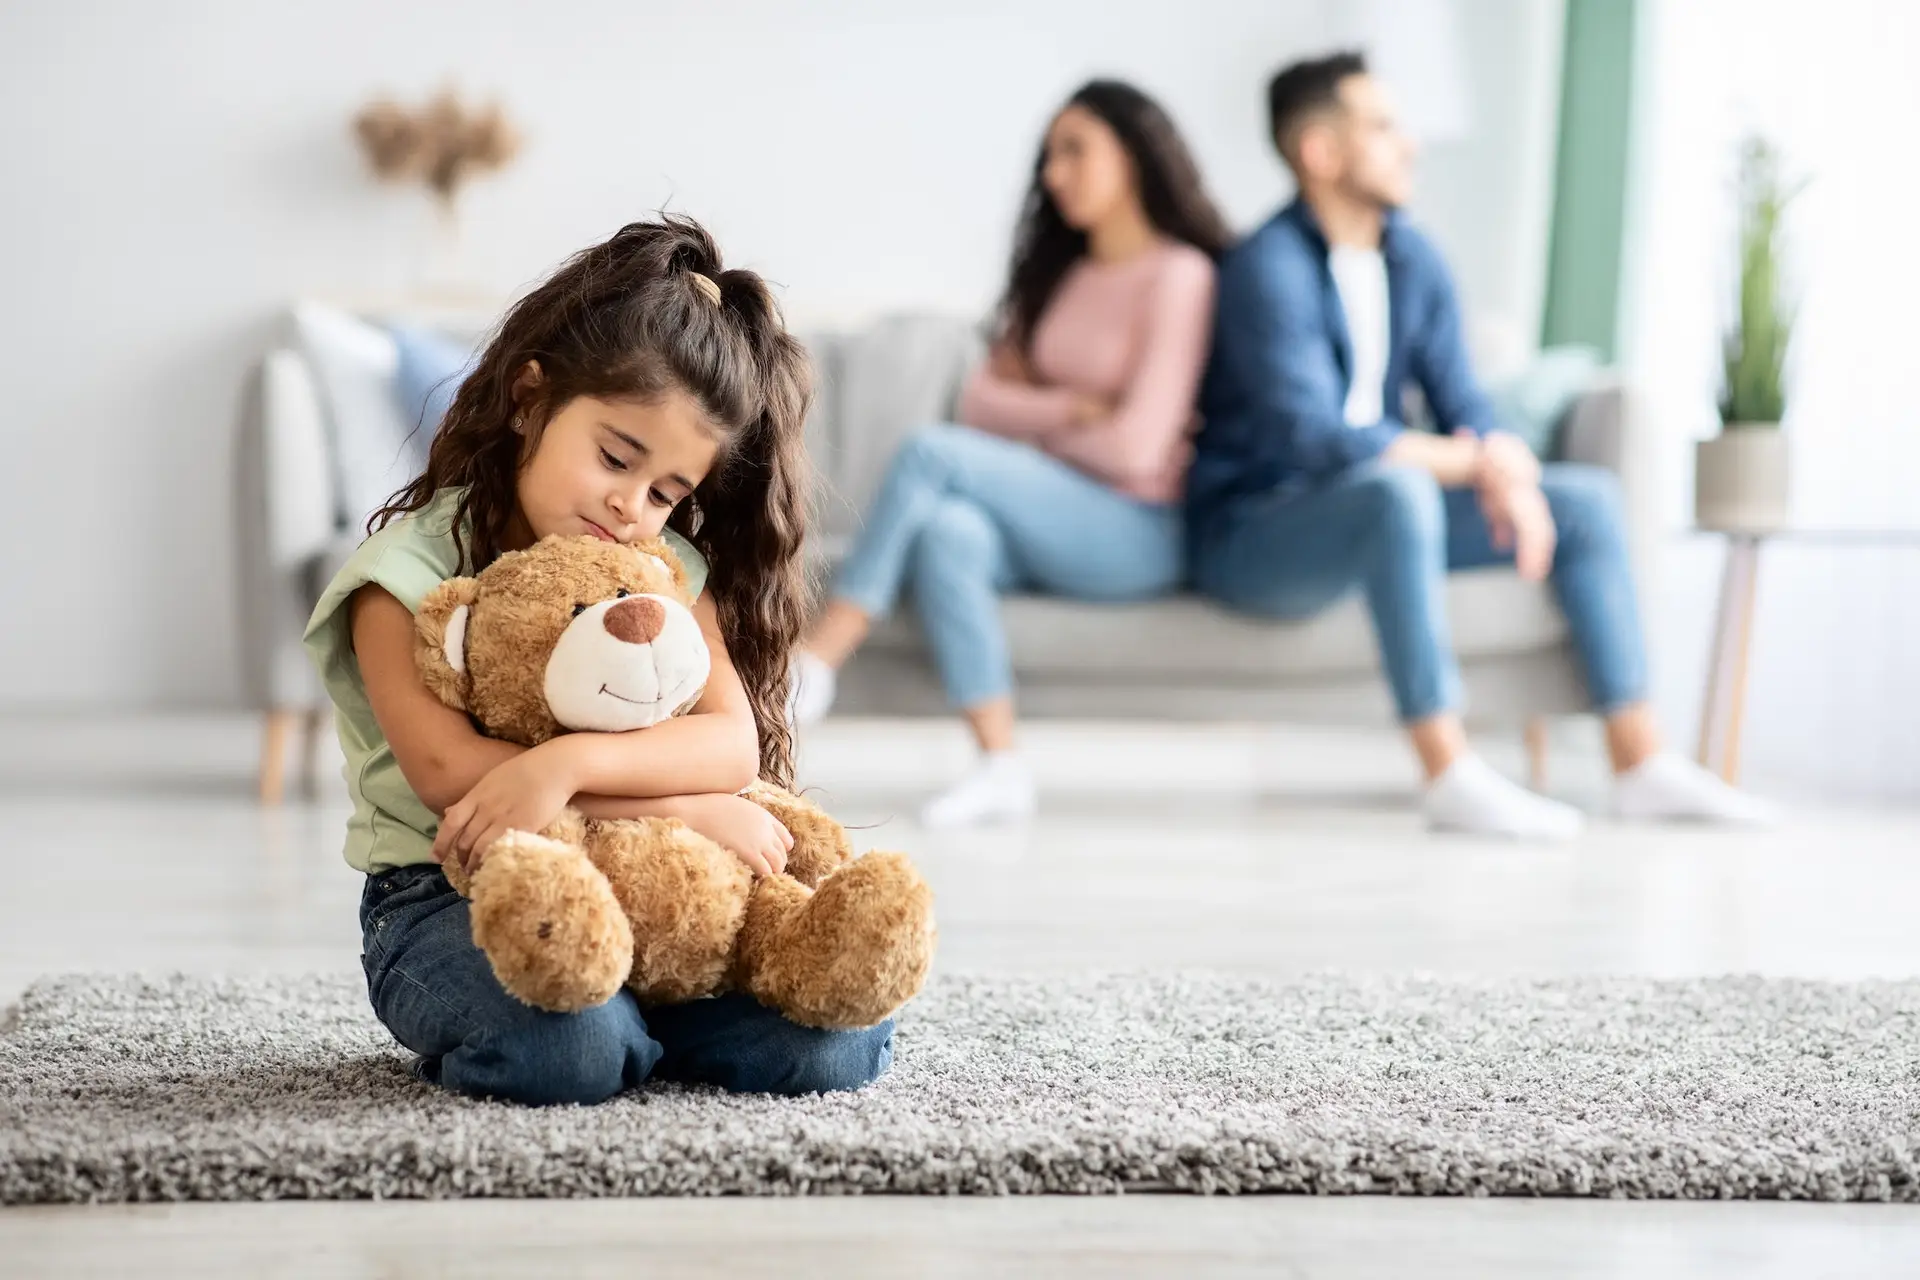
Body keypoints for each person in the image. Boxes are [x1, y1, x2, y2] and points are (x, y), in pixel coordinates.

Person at [303, 217, 895, 1105]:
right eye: (617, 457)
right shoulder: (405, 578)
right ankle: (619, 1034)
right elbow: (451, 777)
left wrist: (570, 766)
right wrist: (689, 806)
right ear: (528, 399)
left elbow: (730, 747)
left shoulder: (666, 571)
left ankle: (641, 1024)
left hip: (652, 881)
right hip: (451, 895)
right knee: (570, 1052)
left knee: (830, 1047)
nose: (631, 506)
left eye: (667, 491)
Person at [1188, 53, 1771, 838]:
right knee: (1394, 494)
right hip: (1261, 528)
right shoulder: (1266, 268)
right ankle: (1449, 772)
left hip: (1378, 507)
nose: (1410, 146)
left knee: (1585, 502)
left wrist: (1512, 476)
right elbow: (1315, 437)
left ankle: (1638, 763)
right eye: (1384, 128)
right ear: (1320, 152)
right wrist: (1474, 465)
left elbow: (1465, 401)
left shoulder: (1413, 258)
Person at [790, 80, 1231, 827]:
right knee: (945, 532)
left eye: (1074, 150)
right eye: (1049, 156)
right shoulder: (1060, 277)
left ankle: (821, 657)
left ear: (1133, 154)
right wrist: (1070, 409)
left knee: (934, 455)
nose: (1054, 173)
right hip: (1049, 514)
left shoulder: (1181, 276)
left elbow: (1135, 448)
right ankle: (1000, 765)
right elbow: (980, 402)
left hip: (1137, 529)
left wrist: (1038, 422)